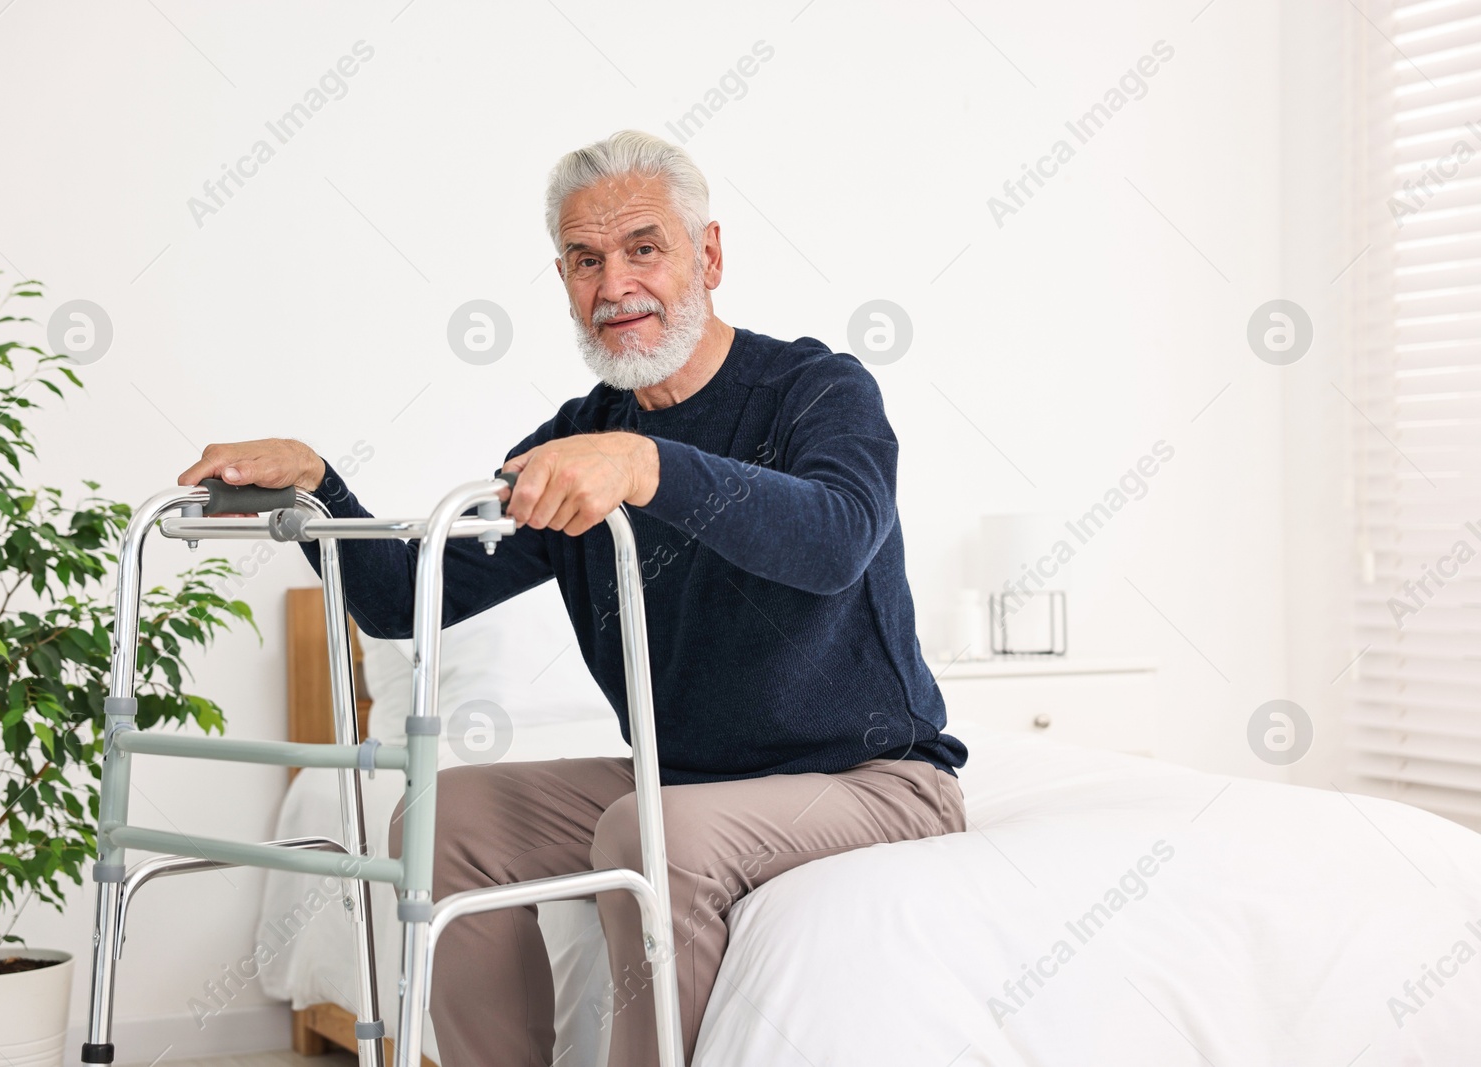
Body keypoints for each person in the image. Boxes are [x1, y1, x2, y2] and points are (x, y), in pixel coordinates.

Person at [178, 129, 968, 1067]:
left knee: (648, 831)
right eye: (586, 261)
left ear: (707, 256)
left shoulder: (816, 390)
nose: (615, 285)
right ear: (563, 279)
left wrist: (647, 466)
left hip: (872, 781)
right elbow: (402, 601)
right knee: (440, 819)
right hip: (685, 782)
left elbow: (835, 541)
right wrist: (320, 491)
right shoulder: (583, 436)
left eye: (644, 248)